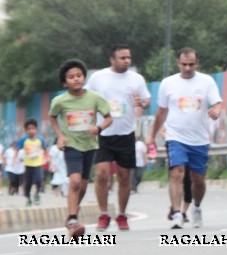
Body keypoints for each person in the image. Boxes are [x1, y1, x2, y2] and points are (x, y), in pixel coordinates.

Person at [147, 48, 223, 230]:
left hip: (199, 139)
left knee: (198, 180)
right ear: (178, 63)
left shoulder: (206, 81)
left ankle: (196, 207)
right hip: (176, 136)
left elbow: (217, 103)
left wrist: (216, 111)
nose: (188, 68)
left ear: (197, 63)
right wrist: (151, 135)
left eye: (191, 64)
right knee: (177, 173)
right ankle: (176, 213)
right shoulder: (168, 83)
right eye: (184, 64)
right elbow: (161, 111)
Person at [85, 44, 152, 231]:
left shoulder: (136, 79)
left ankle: (122, 215)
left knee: (124, 177)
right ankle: (103, 214)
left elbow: (147, 101)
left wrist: (143, 103)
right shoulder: (98, 78)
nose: (127, 61)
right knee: (101, 174)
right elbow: (85, 97)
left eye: (129, 58)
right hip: (103, 134)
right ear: (112, 59)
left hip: (125, 134)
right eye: (122, 58)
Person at [48, 59, 113, 238]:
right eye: (71, 77)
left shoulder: (94, 98)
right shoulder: (60, 101)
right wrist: (60, 136)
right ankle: (73, 219)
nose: (76, 79)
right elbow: (52, 117)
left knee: (83, 186)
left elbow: (108, 117)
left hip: (90, 146)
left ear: (84, 77)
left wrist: (99, 128)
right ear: (64, 82)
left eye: (79, 76)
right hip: (71, 145)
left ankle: (71, 215)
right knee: (74, 182)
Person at [14, 119, 46, 206]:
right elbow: (17, 149)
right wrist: (14, 159)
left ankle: (37, 194)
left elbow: (45, 148)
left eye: (33, 128)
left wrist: (47, 158)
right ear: (26, 130)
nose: (31, 130)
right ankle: (28, 199)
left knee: (39, 180)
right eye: (29, 129)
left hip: (38, 164)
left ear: (36, 129)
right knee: (27, 184)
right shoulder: (23, 139)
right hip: (28, 165)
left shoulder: (40, 139)